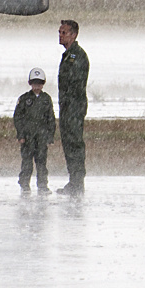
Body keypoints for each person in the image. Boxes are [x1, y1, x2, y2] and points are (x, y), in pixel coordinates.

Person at [56, 20, 90, 195]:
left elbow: (75, 84)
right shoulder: (68, 55)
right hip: (67, 107)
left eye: (64, 33)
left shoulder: (77, 55)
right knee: (68, 144)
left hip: (74, 107)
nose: (60, 36)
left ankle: (77, 182)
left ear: (73, 35)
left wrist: (71, 106)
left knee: (75, 143)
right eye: (60, 32)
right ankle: (73, 181)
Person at [14, 68, 55, 194]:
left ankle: (42, 185)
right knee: (27, 163)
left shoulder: (46, 99)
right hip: (27, 138)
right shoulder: (24, 99)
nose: (37, 86)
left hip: (41, 137)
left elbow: (51, 118)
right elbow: (18, 118)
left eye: (39, 83)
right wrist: (20, 135)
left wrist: (50, 136)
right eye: (35, 83)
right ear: (30, 83)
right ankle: (24, 185)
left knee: (41, 163)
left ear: (43, 84)